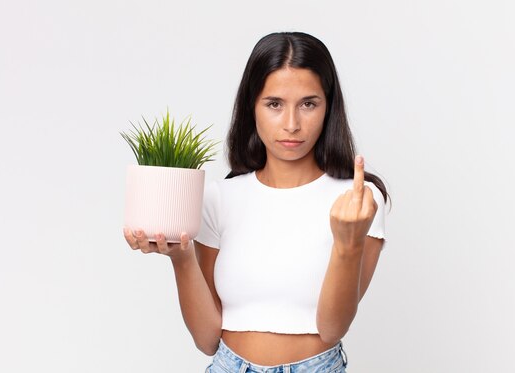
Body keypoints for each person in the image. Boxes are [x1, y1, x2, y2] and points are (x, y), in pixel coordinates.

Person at [123, 31, 390, 372]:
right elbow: (207, 340)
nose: (292, 124)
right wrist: (182, 257)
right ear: (252, 106)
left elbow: (332, 328)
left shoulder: (357, 202)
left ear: (328, 106)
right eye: (274, 104)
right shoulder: (220, 198)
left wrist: (348, 244)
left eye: (308, 104)